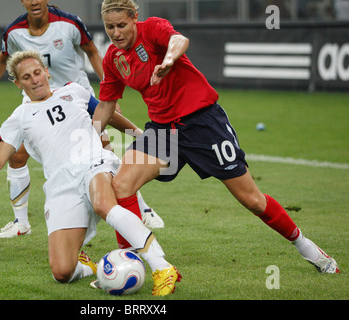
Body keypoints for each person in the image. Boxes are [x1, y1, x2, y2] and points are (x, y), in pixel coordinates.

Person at [93, 0, 339, 274]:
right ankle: (130, 262)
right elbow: (106, 105)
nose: (115, 33)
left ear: (135, 18)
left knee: (253, 201)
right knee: (123, 185)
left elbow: (178, 39)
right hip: (163, 130)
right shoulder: (113, 58)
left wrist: (169, 59)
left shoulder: (152, 29)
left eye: (122, 25)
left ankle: (307, 247)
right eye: (109, 26)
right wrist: (90, 137)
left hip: (203, 124)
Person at [0, 50, 180, 295]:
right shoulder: (19, 117)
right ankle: (93, 267)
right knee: (62, 272)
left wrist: (140, 137)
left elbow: (109, 115)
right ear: (17, 83)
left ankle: (162, 267)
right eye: (26, 77)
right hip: (60, 184)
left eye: (37, 72)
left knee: (103, 204)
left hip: (94, 162)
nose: (35, 79)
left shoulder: (74, 91)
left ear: (46, 71)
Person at [0, 0, 163, 239]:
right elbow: (2, 60)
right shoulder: (13, 31)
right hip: (36, 102)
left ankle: (143, 209)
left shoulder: (70, 23)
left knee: (102, 153)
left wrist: (109, 89)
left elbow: (92, 51)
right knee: (17, 156)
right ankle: (21, 223)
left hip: (75, 98)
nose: (33, 1)